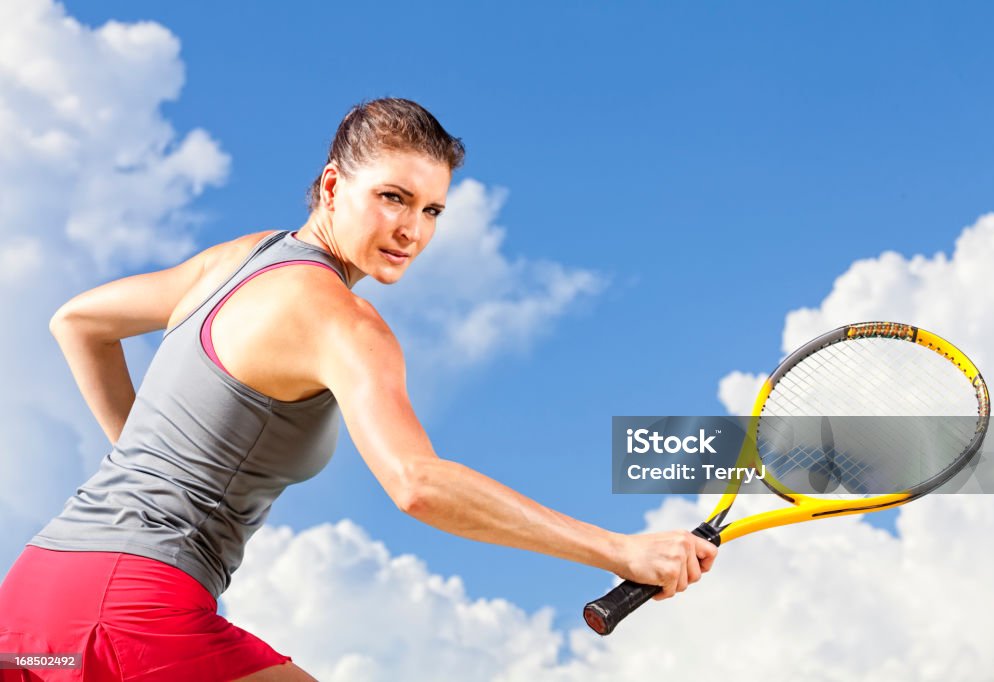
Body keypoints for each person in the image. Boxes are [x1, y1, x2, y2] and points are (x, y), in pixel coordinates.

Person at [0, 98, 717, 681]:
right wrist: (620, 552)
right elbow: (418, 485)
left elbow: (78, 322)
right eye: (393, 198)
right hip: (135, 609)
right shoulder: (345, 322)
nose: (411, 229)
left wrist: (144, 463)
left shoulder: (236, 258)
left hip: (31, 601)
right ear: (335, 185)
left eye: (432, 210)